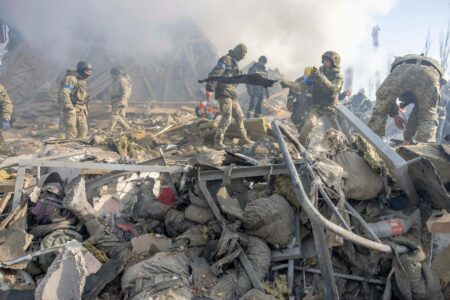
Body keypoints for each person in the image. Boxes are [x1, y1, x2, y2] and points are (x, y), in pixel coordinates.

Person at [368, 54, 446, 144]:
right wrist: (407, 138)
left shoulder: (405, 88)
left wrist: (395, 116)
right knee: (428, 118)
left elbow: (387, 100)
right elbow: (417, 116)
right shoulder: (425, 92)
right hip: (430, 74)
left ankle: (371, 143)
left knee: (380, 110)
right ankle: (424, 151)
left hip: (402, 68)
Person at [205, 43, 253, 150]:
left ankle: (243, 138)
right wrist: (210, 88)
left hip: (231, 94)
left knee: (239, 115)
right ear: (238, 52)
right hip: (223, 92)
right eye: (243, 53)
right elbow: (215, 73)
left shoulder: (235, 64)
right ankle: (217, 142)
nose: (244, 56)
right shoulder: (225, 60)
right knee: (227, 117)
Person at [297, 51, 344, 145]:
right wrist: (288, 83)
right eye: (324, 60)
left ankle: (344, 148)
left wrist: (321, 77)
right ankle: (301, 144)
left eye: (327, 61)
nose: (324, 63)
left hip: (330, 108)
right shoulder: (317, 73)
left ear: (334, 62)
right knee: (309, 124)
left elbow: (333, 88)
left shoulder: (338, 77)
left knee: (338, 130)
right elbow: (302, 86)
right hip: (317, 106)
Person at [58, 61, 92, 139]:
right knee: (71, 131)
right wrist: (70, 107)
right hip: (72, 108)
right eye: (87, 71)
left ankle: (81, 148)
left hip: (81, 108)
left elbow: (83, 96)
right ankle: (69, 148)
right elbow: (65, 93)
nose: (89, 73)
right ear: (81, 70)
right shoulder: (71, 78)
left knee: (83, 131)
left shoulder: (82, 80)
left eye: (90, 71)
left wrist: (85, 108)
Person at [109, 67, 132, 132]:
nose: (111, 76)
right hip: (116, 101)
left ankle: (109, 130)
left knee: (115, 116)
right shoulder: (116, 80)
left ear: (115, 74)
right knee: (121, 117)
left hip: (119, 101)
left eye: (112, 74)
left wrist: (122, 101)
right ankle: (126, 130)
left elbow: (126, 92)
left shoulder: (122, 80)